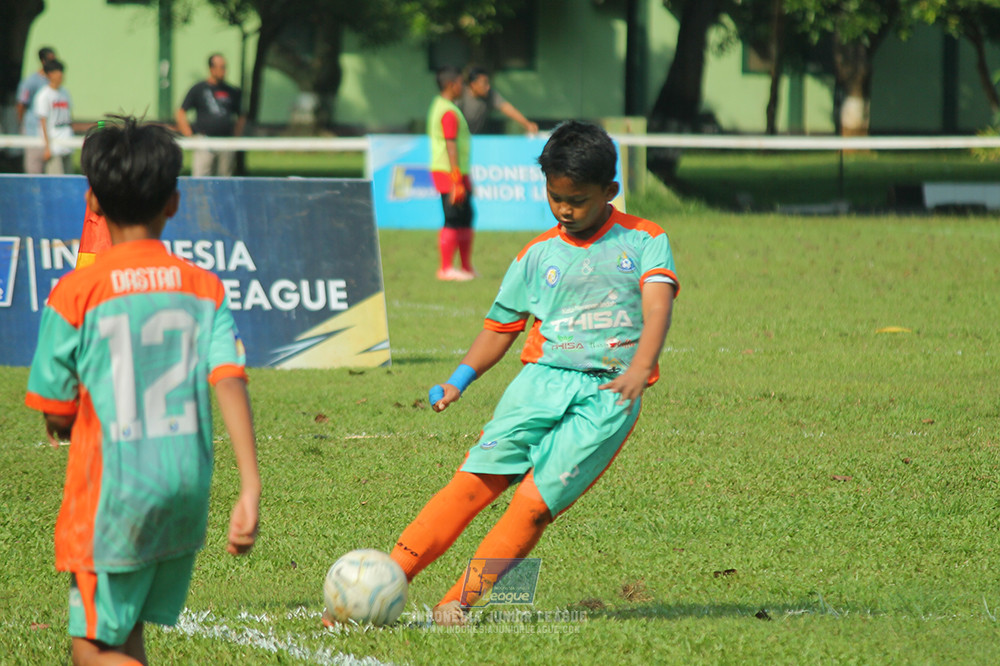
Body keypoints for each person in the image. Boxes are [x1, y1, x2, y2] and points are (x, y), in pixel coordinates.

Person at [388, 120, 679, 625]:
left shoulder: (646, 240)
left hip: (608, 395)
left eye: (578, 199)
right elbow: (502, 326)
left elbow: (657, 308)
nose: (565, 209)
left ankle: (460, 600)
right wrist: (459, 380)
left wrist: (641, 366)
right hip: (537, 384)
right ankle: (386, 578)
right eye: (554, 196)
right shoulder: (536, 254)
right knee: (472, 483)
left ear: (610, 191)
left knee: (533, 507)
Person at [24, 116, 261, 665]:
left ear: (94, 204)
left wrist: (65, 418)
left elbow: (57, 413)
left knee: (93, 649)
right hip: (186, 490)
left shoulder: (74, 292)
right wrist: (248, 486)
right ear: (174, 203)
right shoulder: (203, 286)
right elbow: (229, 376)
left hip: (114, 498)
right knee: (127, 636)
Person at [428, 66, 477, 281]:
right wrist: (456, 177)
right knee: (453, 217)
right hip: (449, 173)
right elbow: (451, 146)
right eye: (460, 83)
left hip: (458, 172)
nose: (463, 87)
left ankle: (466, 267)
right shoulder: (447, 111)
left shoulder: (443, 106)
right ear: (451, 85)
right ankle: (446, 268)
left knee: (466, 216)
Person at [175, 54, 246, 176]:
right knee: (201, 179)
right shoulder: (198, 89)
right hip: (204, 141)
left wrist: (235, 136)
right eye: (219, 67)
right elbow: (181, 112)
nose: (223, 71)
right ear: (211, 68)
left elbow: (241, 116)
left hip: (226, 141)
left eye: (224, 67)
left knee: (225, 179)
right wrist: (189, 134)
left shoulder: (232, 91)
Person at [457, 67, 538, 135]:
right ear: (473, 84)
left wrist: (527, 124)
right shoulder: (460, 95)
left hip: (476, 139)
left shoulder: (490, 94)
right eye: (484, 84)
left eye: (488, 83)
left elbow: (506, 108)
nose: (488, 87)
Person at [16, 46, 57, 173]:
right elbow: (21, 104)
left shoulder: (54, 83)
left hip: (51, 133)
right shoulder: (31, 81)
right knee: (34, 171)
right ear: (43, 61)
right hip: (34, 131)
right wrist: (23, 124)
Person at [31, 59, 73, 175]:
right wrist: (47, 147)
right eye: (58, 72)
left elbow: (69, 118)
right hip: (54, 146)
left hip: (67, 142)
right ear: (50, 74)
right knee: (56, 181)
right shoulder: (44, 95)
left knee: (69, 179)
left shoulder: (65, 93)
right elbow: (43, 122)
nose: (61, 75)